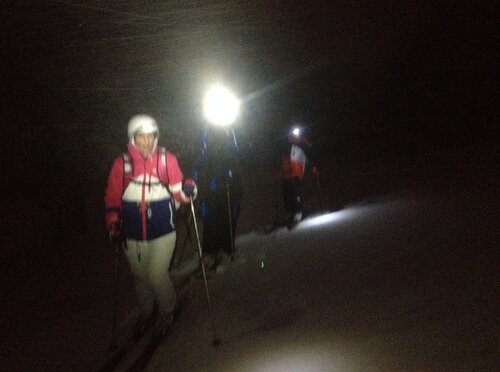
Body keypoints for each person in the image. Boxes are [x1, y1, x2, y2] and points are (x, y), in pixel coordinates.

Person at [104, 114, 197, 338]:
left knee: (155, 274)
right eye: (141, 137)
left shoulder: (167, 160)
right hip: (133, 234)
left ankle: (167, 310)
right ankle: (146, 312)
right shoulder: (122, 164)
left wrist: (189, 191)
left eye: (150, 136)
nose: (146, 142)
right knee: (140, 276)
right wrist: (113, 224)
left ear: (156, 137)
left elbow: (180, 195)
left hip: (163, 229)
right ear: (132, 138)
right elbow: (112, 196)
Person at [192, 127, 243, 272]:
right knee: (210, 221)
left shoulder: (231, 132)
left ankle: (227, 248)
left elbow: (239, 155)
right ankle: (210, 253)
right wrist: (196, 179)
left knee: (228, 217)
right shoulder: (206, 131)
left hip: (229, 187)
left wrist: (232, 173)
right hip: (210, 188)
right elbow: (199, 157)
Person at [280, 125, 316, 229]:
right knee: (287, 193)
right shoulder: (287, 146)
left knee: (295, 193)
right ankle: (292, 213)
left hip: (296, 172)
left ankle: (299, 212)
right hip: (288, 173)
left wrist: (313, 166)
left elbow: (309, 152)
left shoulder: (301, 143)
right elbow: (284, 160)